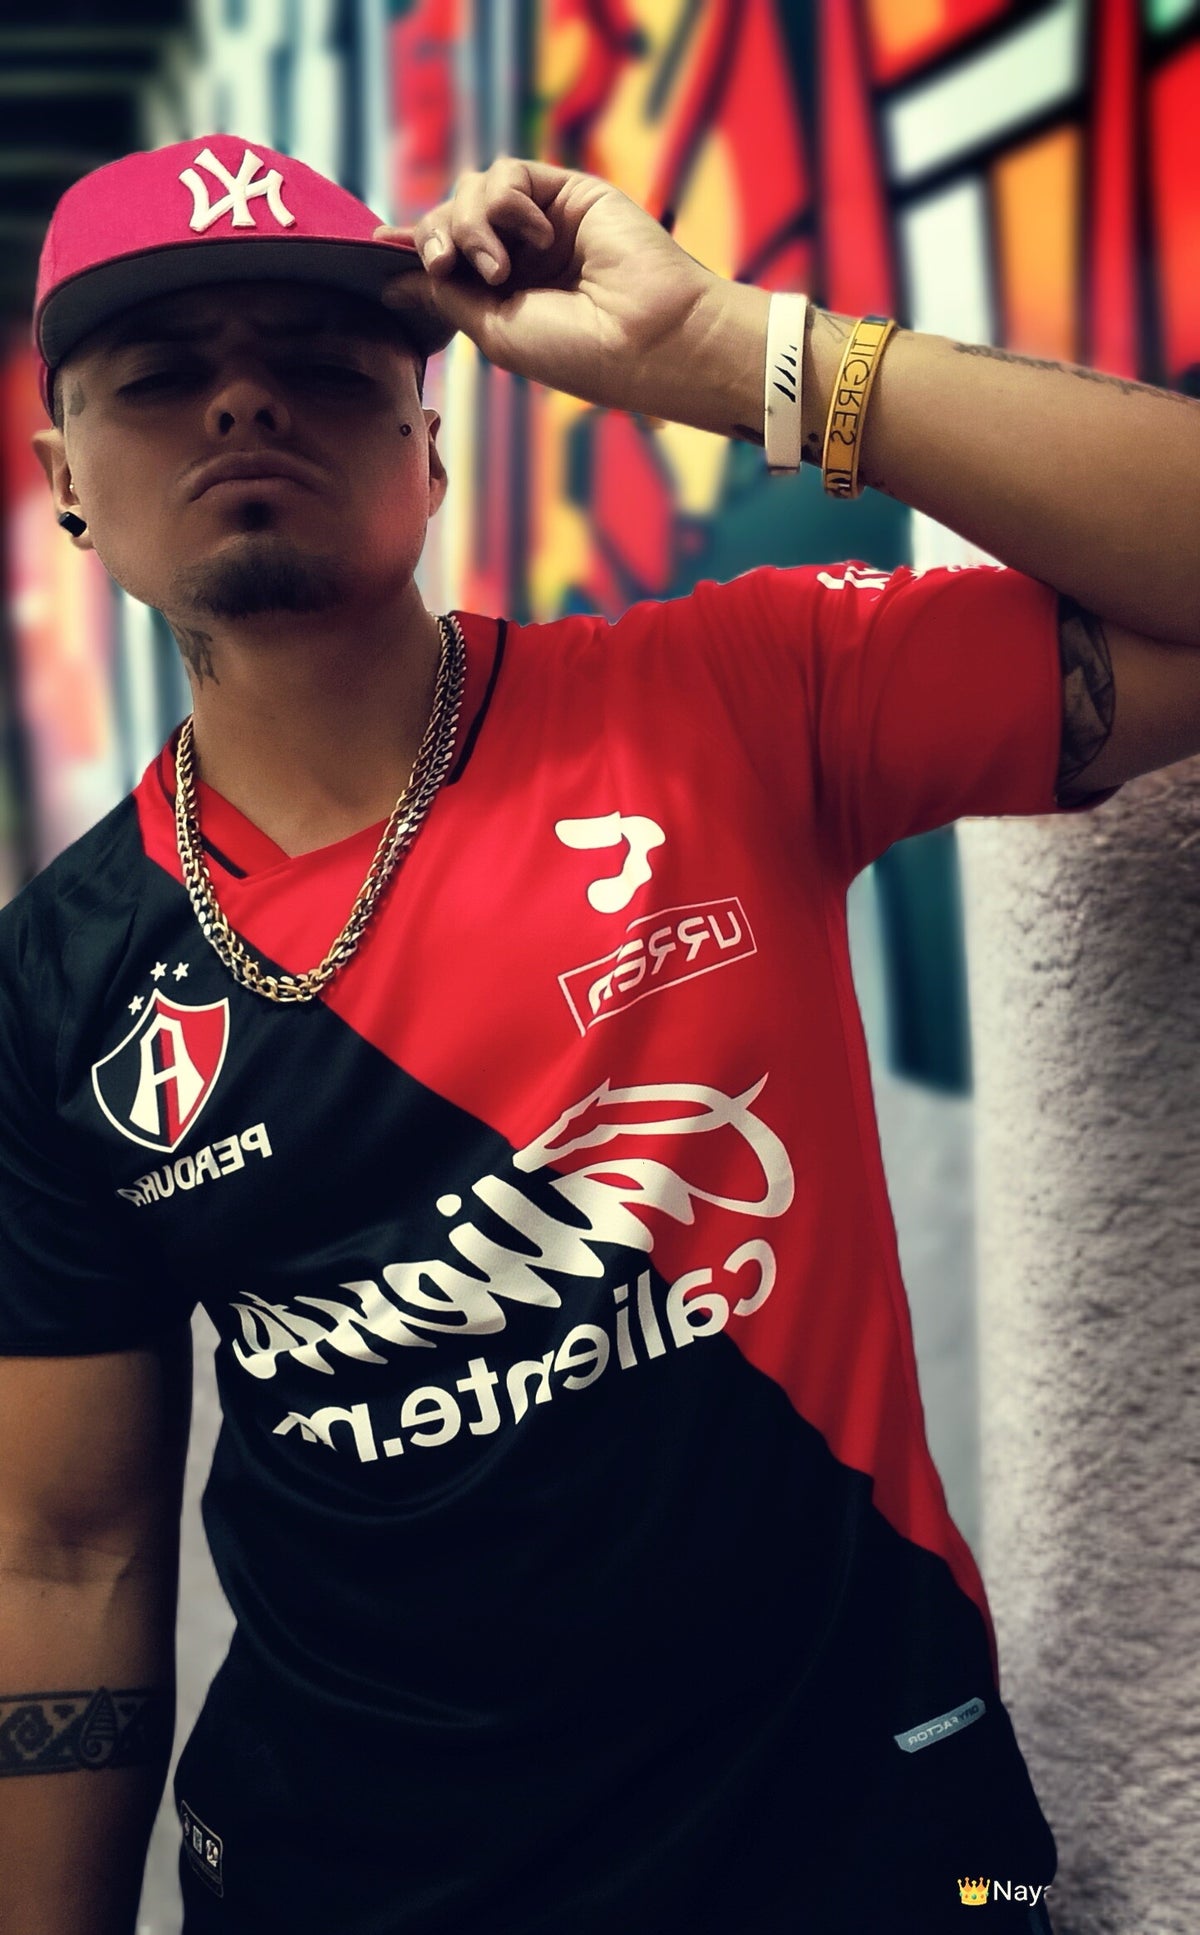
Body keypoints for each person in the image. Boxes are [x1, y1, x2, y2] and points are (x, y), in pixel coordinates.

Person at [0, 130, 1195, 1935]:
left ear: (430, 446)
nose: (244, 403)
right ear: (65, 481)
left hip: (853, 1846)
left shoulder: (727, 700)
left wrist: (729, 351)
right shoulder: (55, 979)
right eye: (161, 375)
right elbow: (65, 1550)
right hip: (350, 1878)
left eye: (324, 362)